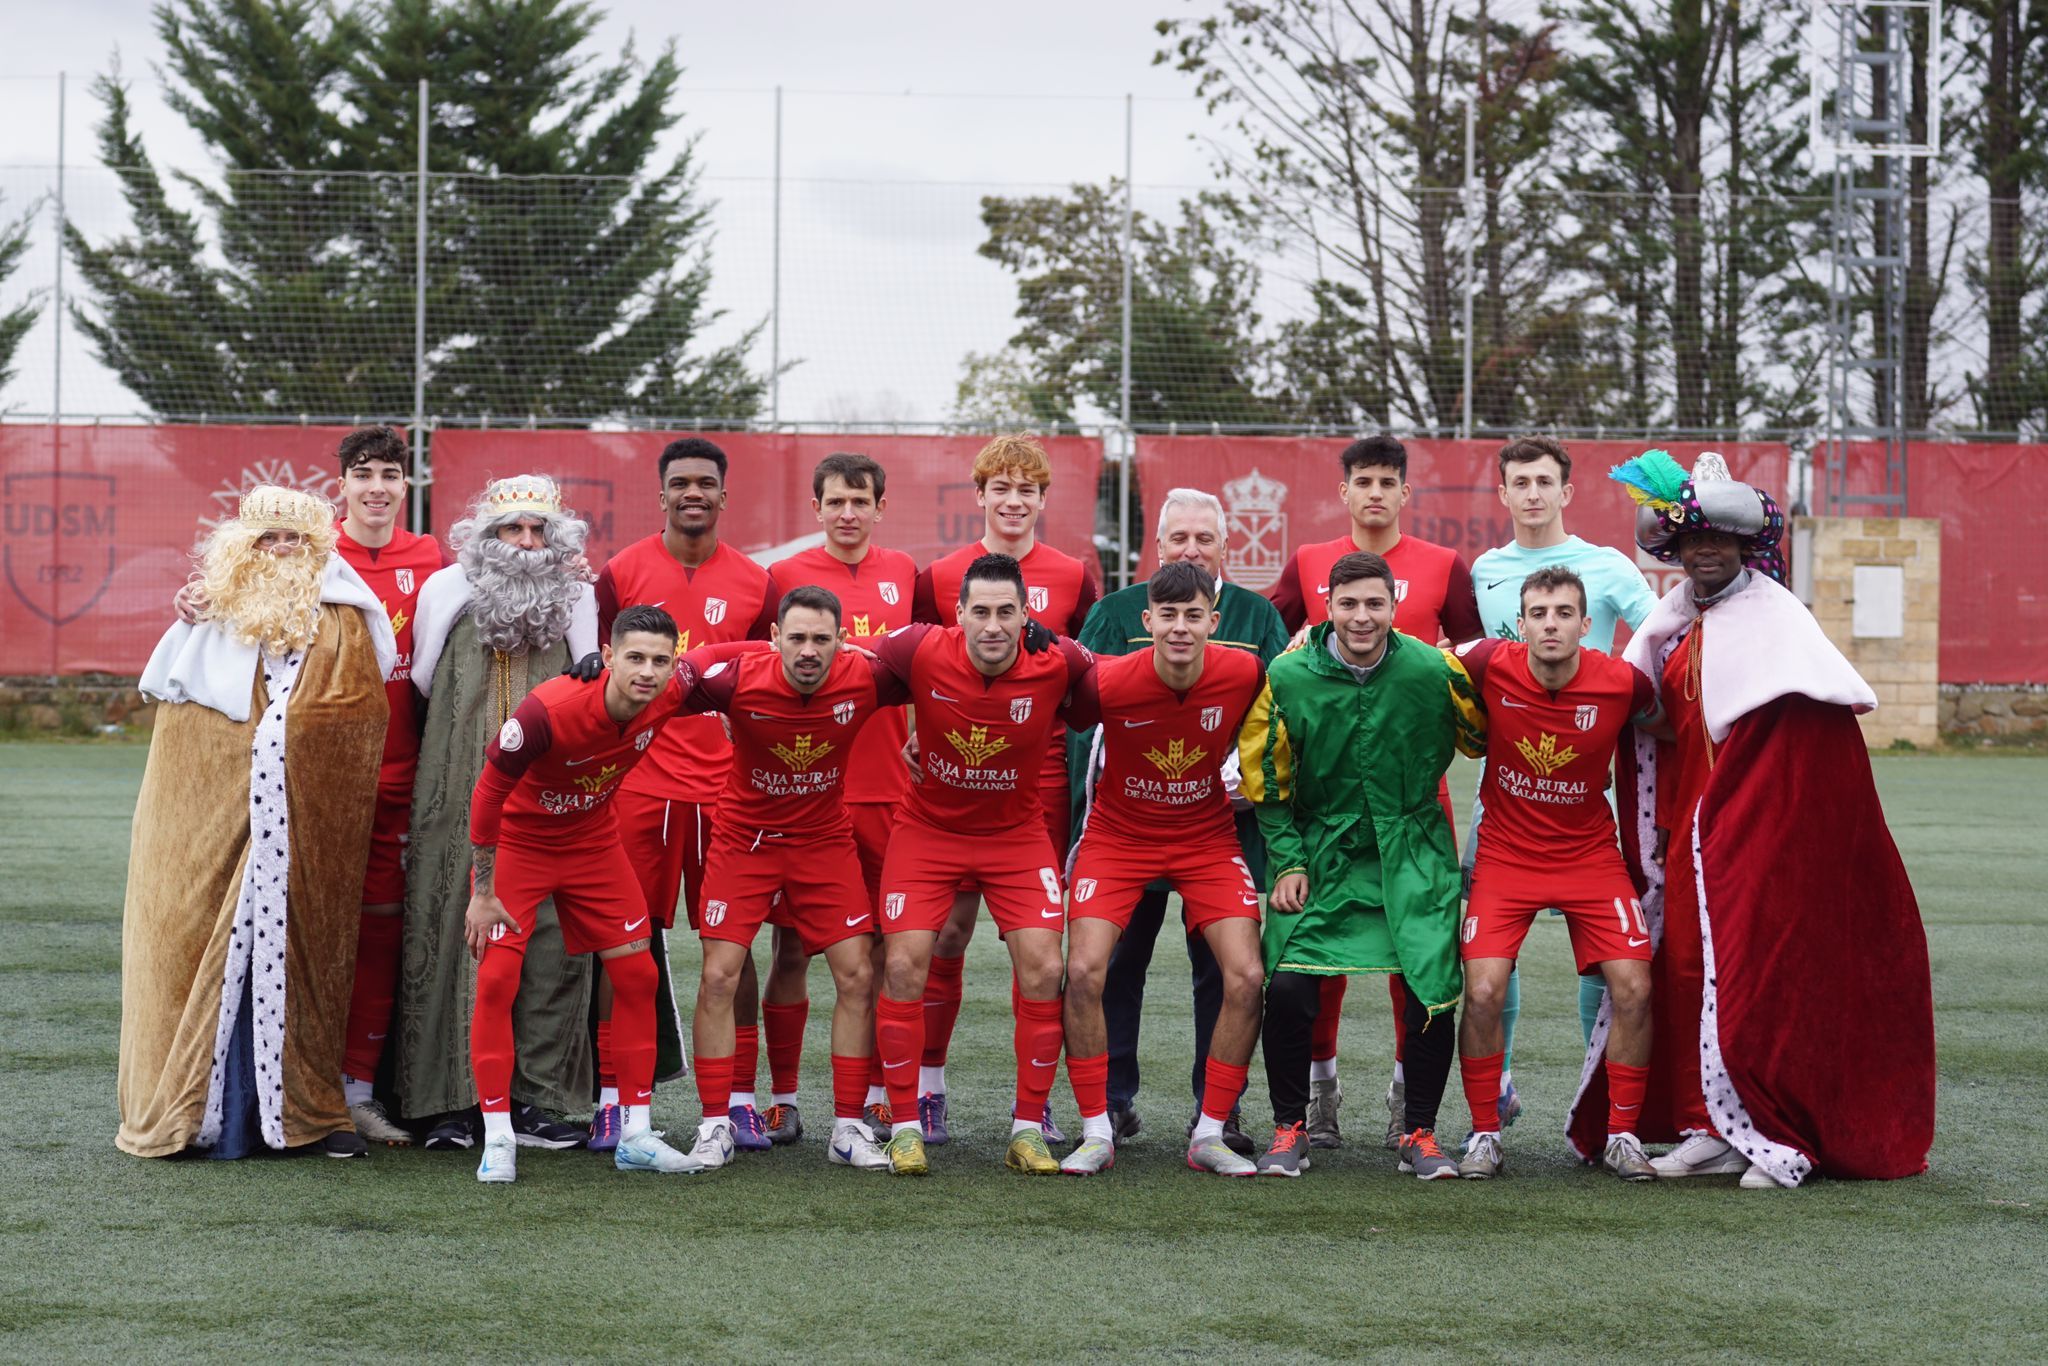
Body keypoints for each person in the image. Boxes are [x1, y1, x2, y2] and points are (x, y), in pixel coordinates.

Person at [1567, 451, 1934, 1188]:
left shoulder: (1777, 622)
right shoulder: (1668, 628)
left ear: (1743, 547)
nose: (1704, 552)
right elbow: (1651, 728)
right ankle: (1708, 1126)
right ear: (1673, 553)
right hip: (1686, 836)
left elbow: (1798, 756)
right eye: (1690, 541)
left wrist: (1741, 825)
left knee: (1757, 975)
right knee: (1684, 971)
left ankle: (1771, 1131)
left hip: (1758, 842)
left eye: (1719, 540)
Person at [173, 426, 447, 1146]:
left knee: (386, 925)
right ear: (343, 487)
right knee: (309, 919)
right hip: (311, 777)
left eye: (392, 473)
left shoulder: (433, 559)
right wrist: (196, 600)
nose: (378, 487)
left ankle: (361, 1087)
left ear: (407, 485)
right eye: (365, 474)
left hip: (402, 768)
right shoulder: (312, 552)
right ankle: (292, 1082)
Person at [121, 485, 395, 1159]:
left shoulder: (345, 619)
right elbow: (188, 745)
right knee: (195, 951)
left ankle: (305, 1114)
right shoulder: (208, 618)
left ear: (317, 548)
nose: (280, 552)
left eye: (295, 540)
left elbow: (354, 720)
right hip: (216, 837)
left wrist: (285, 747)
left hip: (304, 835)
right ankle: (196, 1115)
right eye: (267, 539)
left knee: (308, 958)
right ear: (243, 546)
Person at [1264, 435, 1483, 1151]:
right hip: (1326, 818)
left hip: (1413, 812)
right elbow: (1268, 636)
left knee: (1421, 973)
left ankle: (1409, 1114)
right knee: (1305, 978)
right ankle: (1311, 1107)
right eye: (1365, 480)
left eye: (1389, 481)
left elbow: (1483, 669)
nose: (1377, 492)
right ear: (1346, 490)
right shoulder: (1305, 573)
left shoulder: (1443, 581)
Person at [1065, 488, 1288, 1154]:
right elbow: (1065, 712)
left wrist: (1254, 783)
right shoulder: (1110, 637)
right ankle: (1104, 1113)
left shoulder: (1252, 639)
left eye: (1206, 538)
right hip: (1121, 832)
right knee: (1101, 968)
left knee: (1234, 974)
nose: (1181, 626)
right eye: (1179, 538)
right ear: (1157, 550)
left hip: (1211, 830)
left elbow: (1283, 711)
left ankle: (1216, 1120)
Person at [462, 605, 711, 1183]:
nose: (647, 672)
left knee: (638, 977)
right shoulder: (550, 708)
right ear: (610, 655)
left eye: (659, 660)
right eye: (635, 658)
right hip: (521, 848)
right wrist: (482, 888)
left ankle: (637, 1134)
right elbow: (488, 791)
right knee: (498, 979)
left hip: (594, 844)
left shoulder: (672, 692)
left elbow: (727, 660)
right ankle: (498, 1137)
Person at [872, 554, 1096, 1176]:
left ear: (1027, 616)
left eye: (1006, 612)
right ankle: (907, 1126)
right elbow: (836, 664)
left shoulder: (1061, 661)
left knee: (1045, 966)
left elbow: (1121, 684)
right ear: (958, 614)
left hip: (1016, 837)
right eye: (981, 612)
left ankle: (1028, 1129)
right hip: (928, 831)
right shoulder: (917, 649)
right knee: (904, 964)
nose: (992, 626)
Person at [393, 475, 598, 1152]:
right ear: (486, 537)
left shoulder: (578, 596)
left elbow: (593, 683)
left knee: (548, 942)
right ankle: (442, 1100)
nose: (528, 543)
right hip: (453, 788)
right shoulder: (445, 592)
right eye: (514, 530)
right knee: (447, 924)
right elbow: (422, 683)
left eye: (540, 530)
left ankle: (538, 1099)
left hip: (550, 795)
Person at [910, 434, 1099, 1143]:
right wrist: (914, 735)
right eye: (1002, 488)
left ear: (1043, 501)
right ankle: (929, 1087)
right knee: (948, 933)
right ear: (979, 495)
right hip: (955, 776)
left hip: (1039, 780)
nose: (1014, 500)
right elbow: (916, 665)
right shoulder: (939, 575)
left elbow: (1088, 674)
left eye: (1028, 490)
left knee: (1038, 949)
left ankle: (1037, 1100)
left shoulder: (1074, 576)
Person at [1466, 435, 1660, 1121]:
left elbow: (1660, 640)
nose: (1533, 494)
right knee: (1489, 957)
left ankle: (1594, 1080)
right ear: (1504, 493)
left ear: (1566, 491)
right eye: (1520, 482)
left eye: (1545, 481)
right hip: (1503, 795)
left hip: (1587, 794)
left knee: (1605, 955)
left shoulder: (1606, 567)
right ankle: (1503, 1082)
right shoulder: (1486, 569)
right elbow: (1459, 661)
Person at [680, 587, 907, 1172]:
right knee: (718, 976)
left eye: (821, 639)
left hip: (823, 842)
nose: (809, 651)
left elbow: (941, 666)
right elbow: (671, 679)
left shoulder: (864, 676)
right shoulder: (737, 681)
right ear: (775, 638)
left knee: (857, 974)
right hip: (744, 841)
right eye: (797, 637)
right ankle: (714, 1124)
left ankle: (848, 1126)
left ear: (842, 642)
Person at [593, 437, 777, 1151]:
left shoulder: (758, 582)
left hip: (728, 794)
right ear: (662, 494)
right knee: (626, 945)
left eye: (705, 483)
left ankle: (738, 1099)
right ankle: (617, 1099)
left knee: (731, 947)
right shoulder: (621, 572)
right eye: (680, 483)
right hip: (636, 785)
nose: (692, 493)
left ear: (724, 497)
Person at [1450, 567, 1663, 1182]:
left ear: (1585, 624)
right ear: (1521, 625)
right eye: (1539, 613)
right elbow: (1420, 659)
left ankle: (1622, 1136)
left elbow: (1673, 726)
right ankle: (1485, 1133)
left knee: (1635, 989)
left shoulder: (1622, 682)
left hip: (1589, 857)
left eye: (1563, 613)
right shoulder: (1488, 661)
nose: (1550, 624)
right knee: (1484, 991)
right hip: (1506, 856)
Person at [762, 453, 919, 1146]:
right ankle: (783, 1097)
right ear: (817, 509)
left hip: (888, 790)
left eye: (861, 500)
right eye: (836, 501)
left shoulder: (908, 573)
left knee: (882, 950)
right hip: (808, 793)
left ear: (880, 507)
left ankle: (878, 1095)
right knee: (791, 947)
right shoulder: (784, 579)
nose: (848, 513)